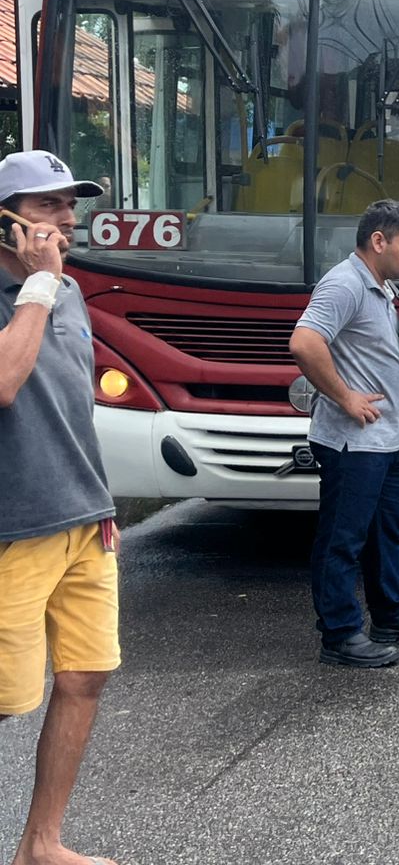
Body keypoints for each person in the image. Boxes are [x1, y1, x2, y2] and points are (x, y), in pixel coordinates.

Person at [0, 151, 121, 865]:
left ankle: (40, 846)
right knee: (5, 697)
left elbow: (72, 408)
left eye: (71, 204)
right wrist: (40, 286)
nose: (69, 219)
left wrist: (100, 499)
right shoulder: (48, 290)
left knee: (85, 675)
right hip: (13, 527)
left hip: (82, 519)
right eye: (48, 206)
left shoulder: (67, 295)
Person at [289, 199, 399, 669]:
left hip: (383, 441)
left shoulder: (381, 286)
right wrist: (344, 397)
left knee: (386, 533)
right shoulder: (344, 283)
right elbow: (304, 341)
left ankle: (390, 614)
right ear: (377, 241)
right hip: (351, 443)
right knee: (342, 540)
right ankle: (339, 634)